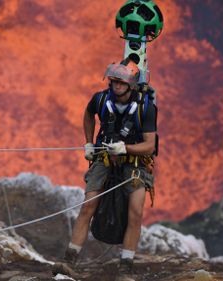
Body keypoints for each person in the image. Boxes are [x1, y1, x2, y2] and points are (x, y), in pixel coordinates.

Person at [53, 58, 157, 280]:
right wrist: (89, 142)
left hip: (135, 163)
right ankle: (68, 260)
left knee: (135, 212)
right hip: (103, 157)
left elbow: (150, 144)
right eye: (114, 81)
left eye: (121, 83)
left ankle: (125, 268)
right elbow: (88, 114)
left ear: (131, 84)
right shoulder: (100, 99)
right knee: (88, 205)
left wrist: (125, 148)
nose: (116, 86)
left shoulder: (146, 108)